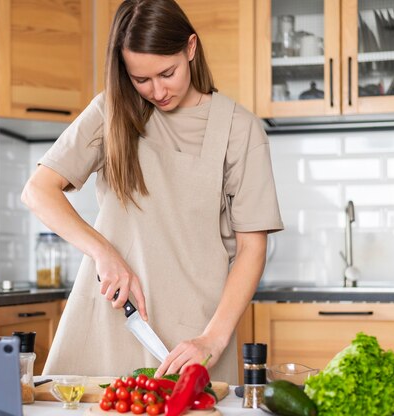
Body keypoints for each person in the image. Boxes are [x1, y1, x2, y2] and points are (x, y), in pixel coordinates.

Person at [21, 0, 283, 383]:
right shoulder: (111, 111)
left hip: (193, 339)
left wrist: (212, 339)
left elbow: (251, 248)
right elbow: (38, 190)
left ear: (190, 48)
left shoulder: (239, 130)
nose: (157, 91)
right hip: (108, 324)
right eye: (141, 79)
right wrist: (103, 252)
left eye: (167, 73)